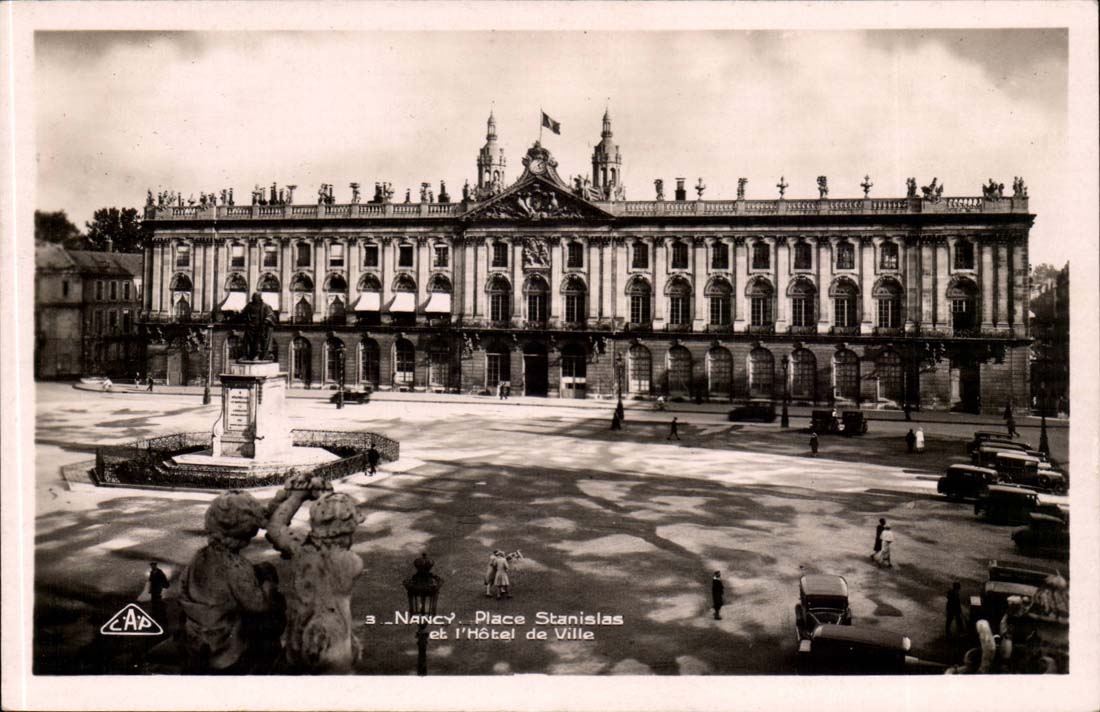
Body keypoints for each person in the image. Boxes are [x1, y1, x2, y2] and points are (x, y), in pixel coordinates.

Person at [266, 473, 365, 673]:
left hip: (300, 635)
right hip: (334, 641)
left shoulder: (301, 550)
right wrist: (326, 496)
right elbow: (335, 520)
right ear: (346, 531)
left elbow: (275, 528)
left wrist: (297, 497)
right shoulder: (351, 562)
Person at [178, 491, 277, 673]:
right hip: (224, 647)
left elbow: (183, 586)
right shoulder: (236, 565)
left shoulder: (199, 557)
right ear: (246, 532)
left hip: (195, 635)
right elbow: (258, 605)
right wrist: (267, 586)